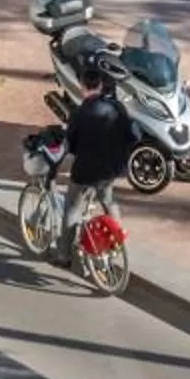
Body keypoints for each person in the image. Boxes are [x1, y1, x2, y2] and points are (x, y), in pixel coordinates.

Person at [55, 48, 138, 264]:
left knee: (72, 208)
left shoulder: (79, 114)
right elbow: (132, 135)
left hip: (86, 171)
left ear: (82, 87)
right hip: (111, 169)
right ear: (100, 85)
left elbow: (71, 145)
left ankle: (64, 255)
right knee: (109, 201)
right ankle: (118, 242)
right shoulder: (117, 107)